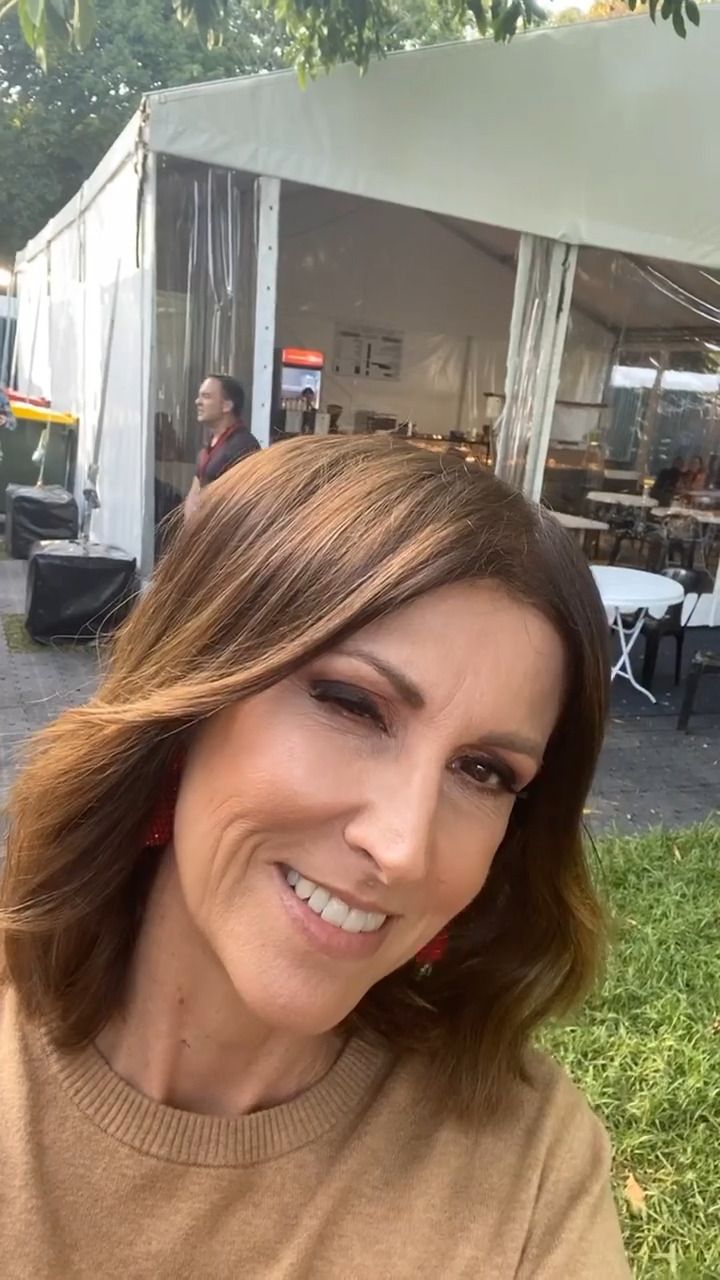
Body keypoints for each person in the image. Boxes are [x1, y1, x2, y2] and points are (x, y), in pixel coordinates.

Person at [0, 437, 629, 1278]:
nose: (402, 848)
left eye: (484, 772)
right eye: (352, 705)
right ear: (188, 703)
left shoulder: (530, 1172)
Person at [184, 373, 259, 521]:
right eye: (199, 396)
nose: (198, 402)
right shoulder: (209, 446)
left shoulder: (244, 446)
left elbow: (245, 502)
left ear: (226, 406)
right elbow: (195, 489)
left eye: (206, 396)